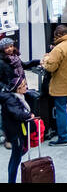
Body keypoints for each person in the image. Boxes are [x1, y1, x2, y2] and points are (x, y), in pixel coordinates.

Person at [40, 24, 67, 145]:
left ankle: (63, 138)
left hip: (62, 85)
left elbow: (50, 67)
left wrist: (45, 60)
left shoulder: (59, 48)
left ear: (58, 35)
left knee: (61, 110)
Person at [1, 42, 34, 182]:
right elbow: (17, 113)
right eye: (6, 47)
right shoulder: (12, 99)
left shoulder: (16, 58)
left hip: (17, 128)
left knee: (18, 153)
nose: (9, 49)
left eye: (11, 46)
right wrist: (29, 115)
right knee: (16, 155)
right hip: (15, 131)